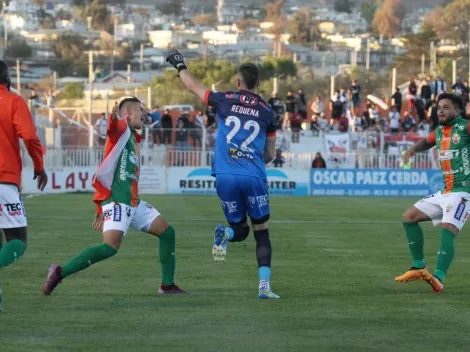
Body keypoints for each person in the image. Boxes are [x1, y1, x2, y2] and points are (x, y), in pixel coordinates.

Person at [42, 97, 186, 296]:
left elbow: (110, 174)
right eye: (140, 110)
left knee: (168, 233)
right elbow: (112, 127)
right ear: (127, 114)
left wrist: (100, 206)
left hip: (133, 203)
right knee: (110, 247)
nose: (144, 114)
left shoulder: (133, 138)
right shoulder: (120, 131)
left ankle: (167, 285)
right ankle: (59, 272)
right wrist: (113, 115)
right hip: (119, 201)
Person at [166, 51, 279, 299]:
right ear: (258, 84)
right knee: (260, 231)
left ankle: (226, 233)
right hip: (253, 175)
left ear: (238, 82)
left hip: (225, 174)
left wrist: (180, 65)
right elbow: (269, 154)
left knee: (238, 228)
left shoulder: (225, 100)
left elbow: (195, 88)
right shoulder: (267, 112)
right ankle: (264, 288)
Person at [395, 93, 469, 293]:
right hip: (445, 192)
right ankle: (418, 266)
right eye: (438, 108)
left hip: (463, 192)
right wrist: (411, 151)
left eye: (446, 107)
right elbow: (426, 143)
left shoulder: (465, 127)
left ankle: (438, 277)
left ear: (457, 111)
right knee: (409, 217)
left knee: (448, 227)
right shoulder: (439, 131)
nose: (441, 111)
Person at [0, 61, 48, 311]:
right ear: (7, 78)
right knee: (18, 241)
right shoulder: (13, 101)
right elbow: (29, 137)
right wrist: (39, 166)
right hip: (3, 179)